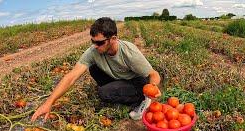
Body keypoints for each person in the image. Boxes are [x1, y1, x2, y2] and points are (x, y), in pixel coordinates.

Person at [31, 17, 161, 121]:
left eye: (99, 42)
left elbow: (153, 74)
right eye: (93, 41)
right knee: (93, 68)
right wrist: (49, 102)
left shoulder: (129, 52)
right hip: (120, 78)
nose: (95, 46)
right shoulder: (93, 51)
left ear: (113, 39)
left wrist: (152, 87)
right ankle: (117, 92)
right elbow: (71, 76)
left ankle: (141, 101)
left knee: (104, 93)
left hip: (136, 81)